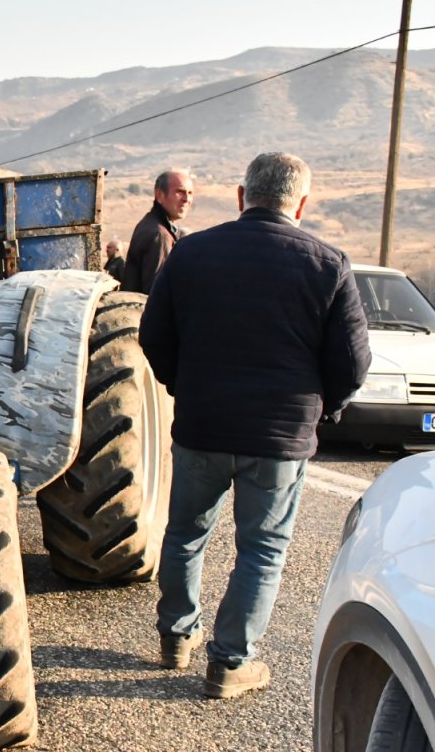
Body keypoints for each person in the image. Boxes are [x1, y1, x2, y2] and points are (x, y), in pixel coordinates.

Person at [139, 152, 370, 699]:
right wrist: (320, 409)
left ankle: (176, 638)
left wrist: (182, 387)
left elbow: (153, 335)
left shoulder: (192, 252)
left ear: (243, 196)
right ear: (302, 203)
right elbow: (354, 363)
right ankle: (229, 664)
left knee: (185, 534)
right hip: (279, 438)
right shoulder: (328, 262)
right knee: (262, 550)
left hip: (202, 426)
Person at [122, 169, 193, 294]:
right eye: (180, 192)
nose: (186, 199)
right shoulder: (159, 234)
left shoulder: (151, 224)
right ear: (159, 195)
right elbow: (155, 292)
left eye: (190, 193)